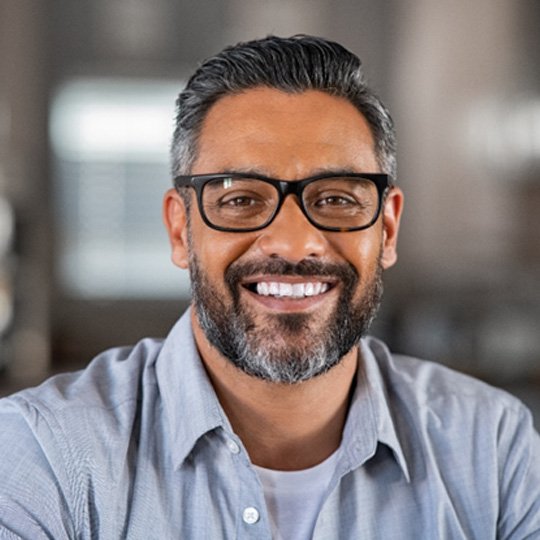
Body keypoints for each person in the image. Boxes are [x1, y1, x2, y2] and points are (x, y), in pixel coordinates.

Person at [0, 35, 539, 540]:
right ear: (179, 229)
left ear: (388, 229)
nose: (294, 242)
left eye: (335, 198)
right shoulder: (44, 453)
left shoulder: (493, 448)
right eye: (240, 199)